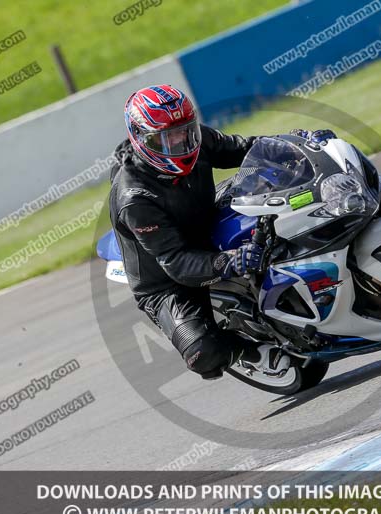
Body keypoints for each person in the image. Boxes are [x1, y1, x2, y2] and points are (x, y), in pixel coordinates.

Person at [108, 84, 304, 381]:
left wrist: (295, 144)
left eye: (184, 131)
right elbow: (176, 261)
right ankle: (249, 353)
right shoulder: (134, 199)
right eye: (166, 138)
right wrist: (231, 261)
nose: (180, 142)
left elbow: (245, 148)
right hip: (168, 282)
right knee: (201, 353)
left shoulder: (197, 140)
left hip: (208, 226)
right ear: (142, 139)